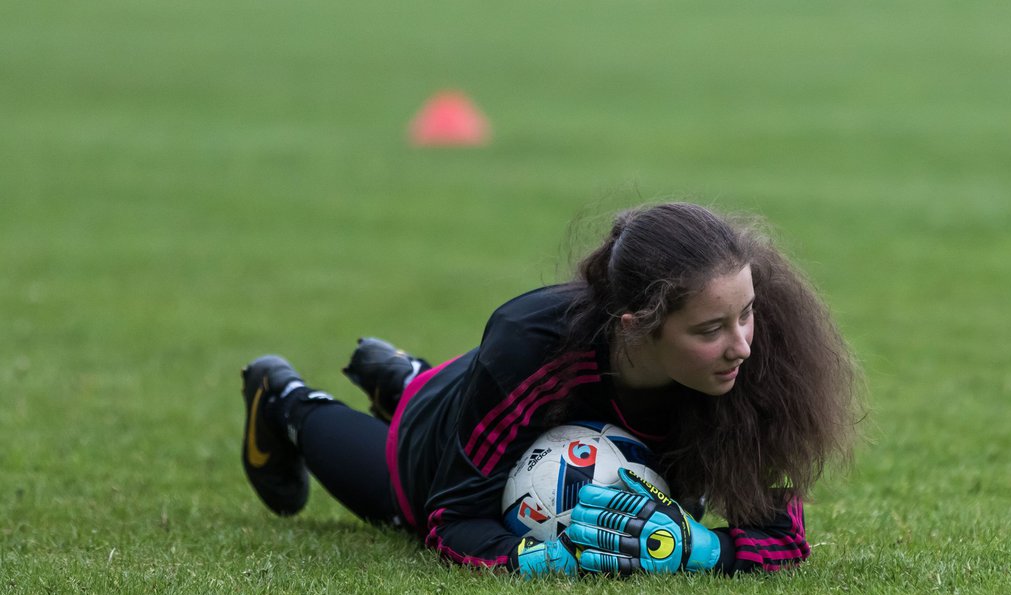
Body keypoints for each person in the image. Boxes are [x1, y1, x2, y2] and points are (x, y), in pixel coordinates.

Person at [239, 202, 863, 576]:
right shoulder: (532, 348)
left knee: (454, 397)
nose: (743, 344)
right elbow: (451, 520)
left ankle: (401, 374)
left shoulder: (749, 357)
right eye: (709, 329)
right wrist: (546, 557)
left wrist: (702, 551)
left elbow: (783, 536)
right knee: (397, 493)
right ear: (638, 327)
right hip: (448, 429)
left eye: (746, 313)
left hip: (493, 400)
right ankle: (286, 397)